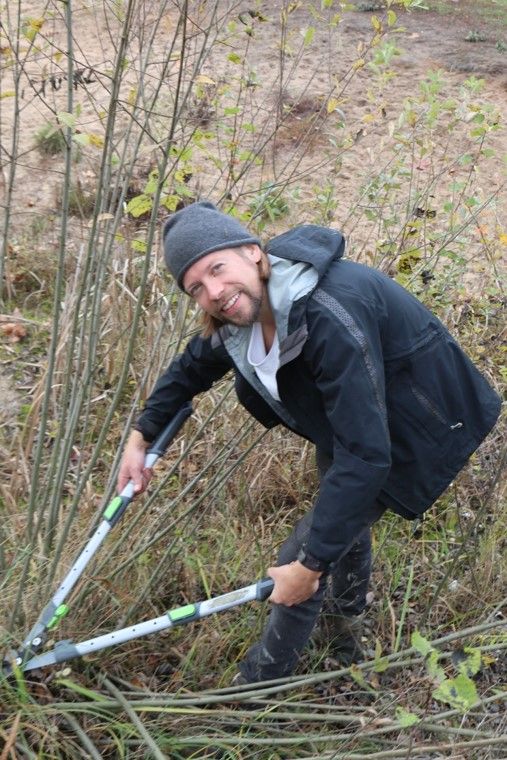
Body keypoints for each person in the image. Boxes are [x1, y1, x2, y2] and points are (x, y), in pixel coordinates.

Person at [118, 201, 501, 683]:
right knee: (341, 518)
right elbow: (192, 366)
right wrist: (142, 436)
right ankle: (344, 636)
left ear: (254, 254)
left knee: (300, 560)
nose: (214, 291)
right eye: (196, 286)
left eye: (218, 268)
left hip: (420, 421)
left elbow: (367, 454)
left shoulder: (327, 314)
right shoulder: (245, 310)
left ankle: (258, 688)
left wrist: (310, 564)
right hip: (350, 418)